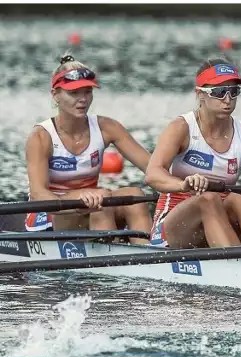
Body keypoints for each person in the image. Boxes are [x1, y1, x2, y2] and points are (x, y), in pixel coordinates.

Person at [145, 57, 241, 248]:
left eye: (233, 92)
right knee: (208, 198)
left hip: (219, 224)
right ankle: (239, 265)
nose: (227, 100)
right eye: (219, 92)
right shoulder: (181, 128)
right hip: (173, 227)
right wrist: (183, 184)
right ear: (200, 94)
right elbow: (153, 174)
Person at [25, 54, 153, 244]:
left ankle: (150, 258)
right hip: (50, 216)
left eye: (87, 92)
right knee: (100, 203)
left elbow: (154, 169)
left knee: (134, 195)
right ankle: (112, 265)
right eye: (74, 93)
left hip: (93, 205)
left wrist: (188, 182)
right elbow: (38, 195)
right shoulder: (41, 137)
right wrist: (78, 199)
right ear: (55, 95)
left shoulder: (106, 127)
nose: (82, 99)